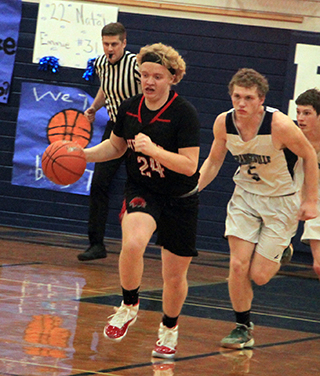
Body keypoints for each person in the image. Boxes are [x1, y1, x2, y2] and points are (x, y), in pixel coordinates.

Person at [83, 43, 201, 358]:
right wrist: (81, 155)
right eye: (144, 75)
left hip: (180, 197)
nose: (149, 81)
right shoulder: (130, 108)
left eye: (157, 76)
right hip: (143, 189)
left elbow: (190, 166)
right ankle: (128, 304)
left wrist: (155, 150)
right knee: (133, 243)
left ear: (172, 78)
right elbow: (116, 147)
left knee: (173, 276)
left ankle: (169, 329)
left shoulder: (184, 113)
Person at [199, 68, 318, 349]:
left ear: (260, 100)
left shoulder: (280, 125)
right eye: (237, 96)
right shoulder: (223, 123)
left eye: (248, 98)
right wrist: (194, 189)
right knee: (238, 265)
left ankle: (283, 249)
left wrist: (310, 200)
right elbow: (214, 162)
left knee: (259, 276)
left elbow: (310, 156)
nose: (241, 103)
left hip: (281, 201)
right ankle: (242, 326)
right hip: (246, 197)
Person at [78, 22, 141, 261]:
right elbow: (106, 89)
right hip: (115, 128)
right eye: (106, 44)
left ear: (124, 43)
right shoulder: (101, 63)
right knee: (99, 184)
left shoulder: (136, 64)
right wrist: (94, 107)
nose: (110, 48)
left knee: (142, 186)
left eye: (115, 44)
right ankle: (96, 245)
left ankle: (141, 242)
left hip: (139, 131)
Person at [295, 88, 320, 279]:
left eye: (307, 113)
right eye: (298, 112)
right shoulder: (293, 139)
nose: (300, 118)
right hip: (307, 202)